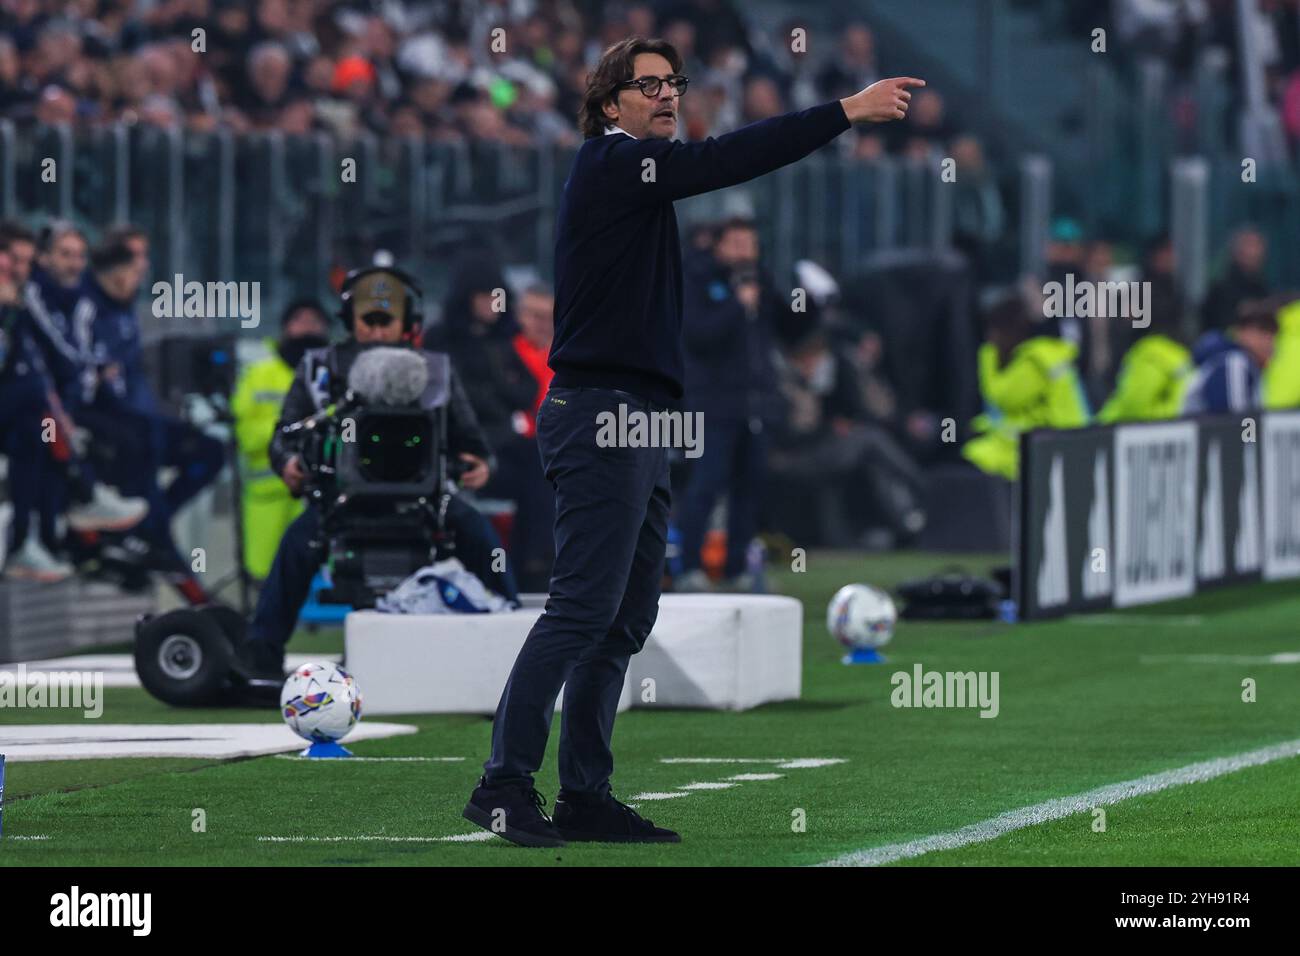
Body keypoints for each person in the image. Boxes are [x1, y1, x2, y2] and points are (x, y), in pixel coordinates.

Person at [463, 34, 924, 847]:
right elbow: (725, 161)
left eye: (674, 82)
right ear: (610, 105)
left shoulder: (634, 181)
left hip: (639, 416)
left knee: (624, 616)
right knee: (581, 610)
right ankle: (502, 785)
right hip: (601, 413)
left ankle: (584, 795)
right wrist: (844, 111)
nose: (668, 95)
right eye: (648, 86)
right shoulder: (611, 165)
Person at [238, 266, 517, 678]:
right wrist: (289, 464)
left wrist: (481, 465)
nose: (377, 330)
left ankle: (512, 642)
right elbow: (285, 435)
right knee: (296, 547)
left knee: (478, 533)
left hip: (425, 499)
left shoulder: (436, 371)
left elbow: (470, 440)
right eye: (369, 319)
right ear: (350, 320)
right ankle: (262, 657)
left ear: (408, 323)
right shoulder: (320, 369)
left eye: (387, 320)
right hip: (342, 499)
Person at [675, 217, 783, 592]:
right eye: (735, 242)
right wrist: (737, 306)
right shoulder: (697, 279)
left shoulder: (761, 281)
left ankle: (737, 568)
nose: (743, 251)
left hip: (754, 403)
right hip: (711, 403)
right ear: (717, 245)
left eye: (749, 243)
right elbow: (698, 335)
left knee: (749, 488)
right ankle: (689, 566)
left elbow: (786, 328)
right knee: (706, 484)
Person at [230, 297, 329, 580]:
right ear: (286, 327)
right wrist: (295, 432)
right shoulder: (259, 373)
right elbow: (245, 434)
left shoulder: (334, 373)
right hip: (268, 496)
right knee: (266, 578)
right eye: (301, 321)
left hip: (320, 496)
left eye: (315, 323)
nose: (308, 329)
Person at [962, 294, 1091, 481]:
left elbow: (1001, 397)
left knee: (969, 461)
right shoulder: (1048, 354)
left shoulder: (1034, 361)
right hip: (1057, 444)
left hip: (1039, 450)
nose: (991, 337)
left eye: (993, 330)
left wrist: (987, 356)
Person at [1183, 298, 1278, 415]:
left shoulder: (1243, 365)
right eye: (1263, 333)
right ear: (1244, 333)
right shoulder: (1235, 363)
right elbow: (1234, 423)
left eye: (1272, 336)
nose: (1270, 343)